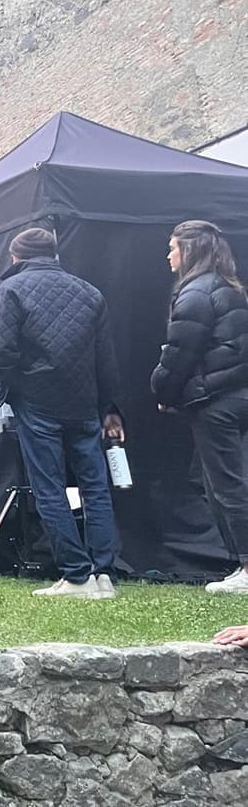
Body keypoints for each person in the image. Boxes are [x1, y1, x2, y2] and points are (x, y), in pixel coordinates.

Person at [0, 227, 126, 600]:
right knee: (95, 487)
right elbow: (105, 358)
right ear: (53, 253)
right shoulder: (90, 292)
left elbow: (3, 349)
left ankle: (76, 576)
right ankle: (103, 574)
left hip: (36, 401)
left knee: (49, 488)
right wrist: (109, 407)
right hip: (84, 402)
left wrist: (7, 385)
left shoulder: (11, 289)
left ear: (16, 256)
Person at [151, 219, 248, 594]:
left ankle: (246, 568)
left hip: (215, 402)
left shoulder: (195, 293)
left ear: (188, 250)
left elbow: (180, 353)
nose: (168, 255)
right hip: (236, 396)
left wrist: (164, 391)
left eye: (172, 247)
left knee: (226, 486)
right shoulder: (231, 289)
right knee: (221, 482)